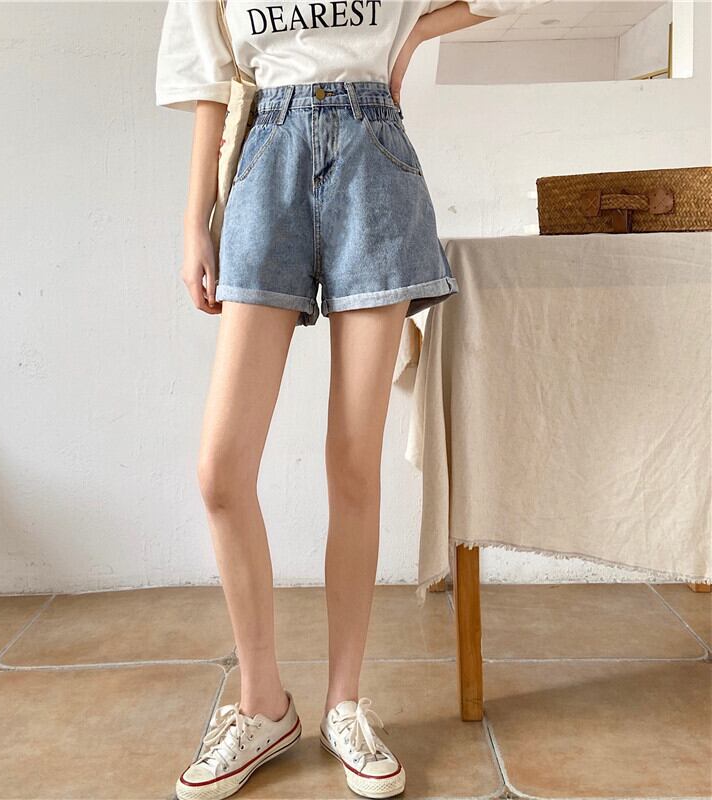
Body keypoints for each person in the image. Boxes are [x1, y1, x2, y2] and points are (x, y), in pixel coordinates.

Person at [155, 2, 541, 798]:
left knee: (353, 464)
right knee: (221, 472)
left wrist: (416, 29)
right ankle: (263, 705)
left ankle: (344, 703)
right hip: (265, 156)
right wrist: (194, 222)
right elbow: (209, 81)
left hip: (375, 159)